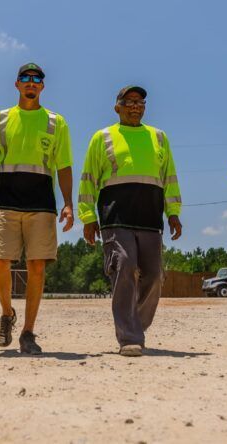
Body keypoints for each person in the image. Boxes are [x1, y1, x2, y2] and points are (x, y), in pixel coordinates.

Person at [0, 63, 73, 354]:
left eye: (36, 79)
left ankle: (28, 332)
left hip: (41, 203)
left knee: (37, 266)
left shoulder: (56, 122)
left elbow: (64, 166)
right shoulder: (0, 120)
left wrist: (68, 203)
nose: (31, 82)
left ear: (42, 86)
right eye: (25, 78)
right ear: (17, 84)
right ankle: (7, 314)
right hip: (5, 200)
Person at [78, 86, 182, 357]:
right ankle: (129, 336)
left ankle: (136, 323)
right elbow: (88, 178)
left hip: (150, 217)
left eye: (140, 101)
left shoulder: (158, 137)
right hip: (116, 217)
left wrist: (173, 212)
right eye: (129, 101)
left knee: (155, 276)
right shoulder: (102, 137)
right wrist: (88, 217)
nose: (135, 106)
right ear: (117, 107)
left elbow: (169, 177)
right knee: (124, 266)